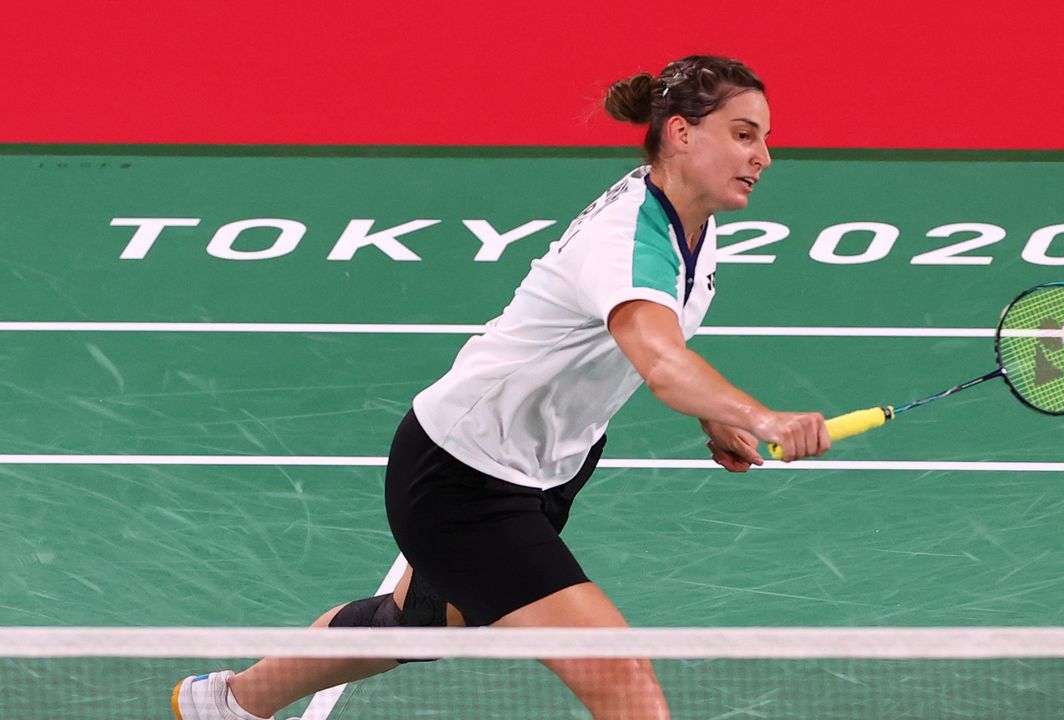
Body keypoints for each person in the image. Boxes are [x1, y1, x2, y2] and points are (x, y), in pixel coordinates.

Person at [172, 54, 831, 720]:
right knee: (621, 676)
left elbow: (650, 338)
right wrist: (761, 417)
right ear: (682, 134)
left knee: (419, 625)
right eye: (745, 134)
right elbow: (660, 363)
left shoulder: (694, 222)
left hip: (544, 465)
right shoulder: (626, 237)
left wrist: (712, 416)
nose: (764, 156)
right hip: (463, 477)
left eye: (764, 138)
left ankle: (226, 703)